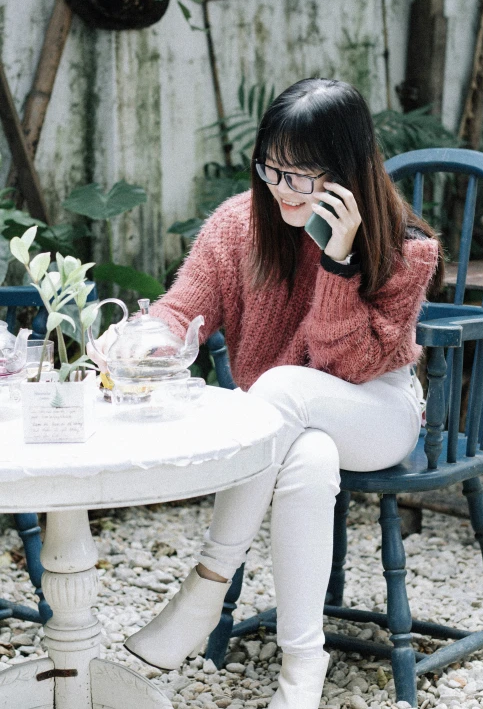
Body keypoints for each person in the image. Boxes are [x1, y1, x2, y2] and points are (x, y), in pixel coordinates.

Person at [90, 78, 443, 709]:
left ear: (345, 172)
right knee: (307, 456)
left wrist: (338, 264)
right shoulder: (238, 226)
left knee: (282, 387)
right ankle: (301, 674)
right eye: (272, 168)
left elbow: (352, 366)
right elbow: (181, 311)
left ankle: (204, 589)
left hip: (379, 411)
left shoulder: (405, 249)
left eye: (303, 175)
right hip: (288, 425)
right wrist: (136, 340)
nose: (282, 188)